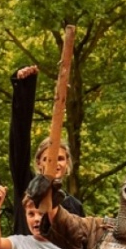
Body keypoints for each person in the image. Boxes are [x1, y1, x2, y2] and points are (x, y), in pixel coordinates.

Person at [9, 65, 83, 237]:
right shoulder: (27, 187)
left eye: (60, 158)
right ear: (38, 163)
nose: (55, 163)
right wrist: (25, 89)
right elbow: (19, 141)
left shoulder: (73, 206)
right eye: (48, 158)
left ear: (67, 164)